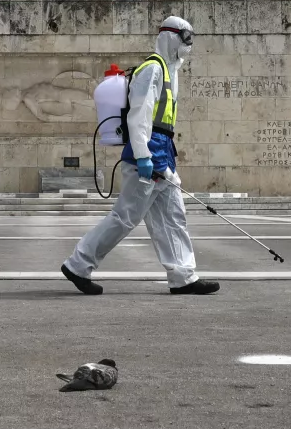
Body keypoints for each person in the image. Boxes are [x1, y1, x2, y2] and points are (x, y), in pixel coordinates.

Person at [60, 16, 220, 296]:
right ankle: (77, 264)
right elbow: (139, 117)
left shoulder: (170, 73)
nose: (188, 46)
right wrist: (145, 157)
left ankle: (183, 276)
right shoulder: (152, 70)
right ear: (170, 37)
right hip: (147, 155)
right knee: (124, 218)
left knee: (173, 217)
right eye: (185, 38)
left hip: (163, 153)